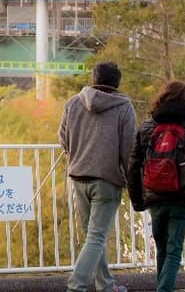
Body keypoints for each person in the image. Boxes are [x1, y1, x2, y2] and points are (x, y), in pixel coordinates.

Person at [127, 81, 185, 292]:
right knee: (174, 249)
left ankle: (164, 287)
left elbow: (133, 166)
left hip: (155, 196)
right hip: (182, 197)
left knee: (162, 248)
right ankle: (164, 289)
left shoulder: (148, 127)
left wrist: (137, 199)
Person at [59, 61, 136, 292]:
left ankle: (106, 285)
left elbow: (63, 139)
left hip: (78, 176)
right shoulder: (123, 106)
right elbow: (128, 149)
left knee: (94, 236)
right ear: (117, 82)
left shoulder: (73, 103)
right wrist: (132, 182)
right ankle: (76, 286)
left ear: (94, 79)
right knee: (97, 236)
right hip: (107, 179)